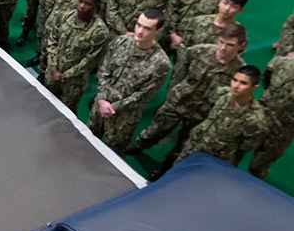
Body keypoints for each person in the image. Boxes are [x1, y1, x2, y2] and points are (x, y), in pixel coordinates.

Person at [128, 25, 246, 166]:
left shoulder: (240, 72)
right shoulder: (200, 51)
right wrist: (175, 89)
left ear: (241, 46)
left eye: (230, 45)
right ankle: (140, 145)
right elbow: (181, 66)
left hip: (202, 113)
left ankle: (167, 165)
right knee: (157, 128)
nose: (223, 48)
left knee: (185, 143)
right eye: (221, 42)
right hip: (179, 101)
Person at [88, 9, 171, 156]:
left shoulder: (161, 63)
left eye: (146, 28)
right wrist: (101, 98)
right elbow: (104, 69)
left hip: (123, 118)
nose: (139, 31)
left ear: (158, 31)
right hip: (100, 105)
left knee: (112, 155)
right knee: (87, 139)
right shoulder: (121, 42)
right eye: (138, 25)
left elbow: (143, 96)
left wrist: (112, 107)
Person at [172, 67, 267, 169]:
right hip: (195, 144)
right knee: (176, 170)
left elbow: (245, 146)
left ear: (254, 88)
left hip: (216, 158)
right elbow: (207, 110)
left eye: (243, 83)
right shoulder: (221, 93)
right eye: (235, 80)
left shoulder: (254, 119)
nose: (236, 86)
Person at [42, 0, 110, 112]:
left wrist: (64, 75)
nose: (82, 6)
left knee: (65, 114)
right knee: (45, 105)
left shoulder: (100, 31)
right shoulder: (64, 17)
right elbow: (52, 41)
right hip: (52, 74)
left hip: (73, 84)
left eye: (88, 4)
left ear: (96, 6)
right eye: (80, 1)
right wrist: (53, 67)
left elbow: (89, 61)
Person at [250, 54, 294, 180]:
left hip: (285, 127)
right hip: (262, 114)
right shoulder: (280, 63)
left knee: (261, 164)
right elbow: (266, 78)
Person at [177, 0, 248, 49]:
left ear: (240, 10)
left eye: (234, 6)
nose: (227, 9)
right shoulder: (198, 21)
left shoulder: (238, 34)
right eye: (225, 3)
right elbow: (183, 47)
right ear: (219, 2)